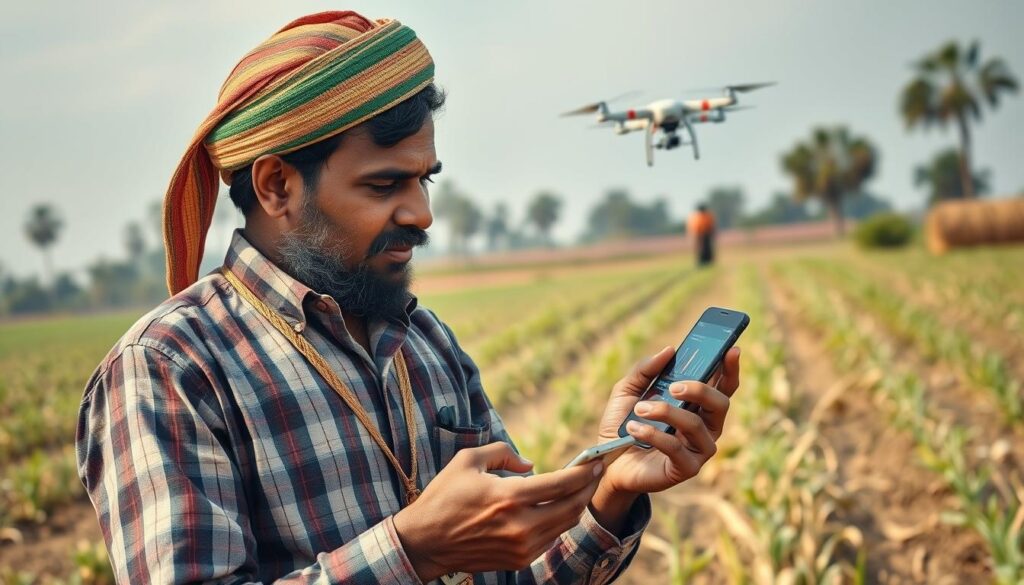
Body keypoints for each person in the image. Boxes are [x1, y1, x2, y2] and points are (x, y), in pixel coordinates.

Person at [75, 11, 741, 584]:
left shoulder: (424, 345)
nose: (421, 214)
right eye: (384, 184)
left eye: (425, 180)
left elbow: (508, 573)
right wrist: (412, 549)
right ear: (277, 186)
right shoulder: (168, 369)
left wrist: (612, 486)